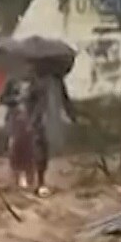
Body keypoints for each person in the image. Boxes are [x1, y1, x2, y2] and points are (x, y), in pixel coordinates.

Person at [23, 62, 77, 197]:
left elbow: (65, 99)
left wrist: (71, 114)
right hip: (41, 119)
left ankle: (42, 180)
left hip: (49, 119)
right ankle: (40, 181)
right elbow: (29, 101)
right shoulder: (39, 81)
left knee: (45, 150)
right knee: (40, 149)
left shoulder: (53, 81)